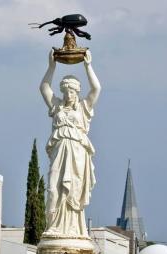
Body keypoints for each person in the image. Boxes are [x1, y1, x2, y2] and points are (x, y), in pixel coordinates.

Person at [40, 49, 101, 237]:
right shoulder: (56, 106)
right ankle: (53, 227)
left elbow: (96, 89)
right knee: (53, 190)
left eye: (72, 91)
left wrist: (88, 66)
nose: (69, 95)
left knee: (73, 192)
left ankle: (72, 230)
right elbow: (44, 87)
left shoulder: (84, 108)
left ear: (77, 92)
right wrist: (51, 67)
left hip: (77, 156)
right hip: (59, 153)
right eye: (66, 91)